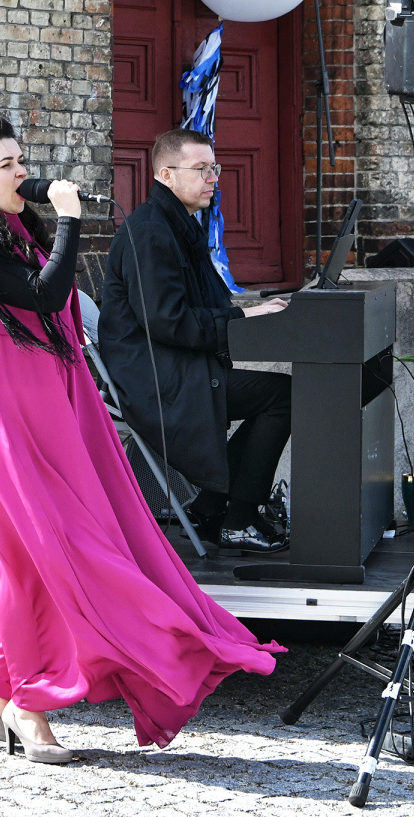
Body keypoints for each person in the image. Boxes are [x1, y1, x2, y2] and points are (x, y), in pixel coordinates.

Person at [0, 113, 284, 764]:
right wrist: (70, 221)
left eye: (21, 159)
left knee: (49, 556)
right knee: (45, 558)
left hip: (43, 407)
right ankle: (29, 704)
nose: (22, 172)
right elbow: (46, 298)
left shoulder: (15, 232)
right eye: (7, 164)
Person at [99, 129, 292, 555]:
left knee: (281, 395)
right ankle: (237, 520)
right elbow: (168, 321)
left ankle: (211, 508)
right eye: (201, 169)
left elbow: (203, 302)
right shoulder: (151, 232)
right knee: (284, 397)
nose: (213, 178)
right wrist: (242, 317)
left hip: (177, 367)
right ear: (166, 175)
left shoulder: (177, 224)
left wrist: (252, 309)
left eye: (214, 168)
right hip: (157, 381)